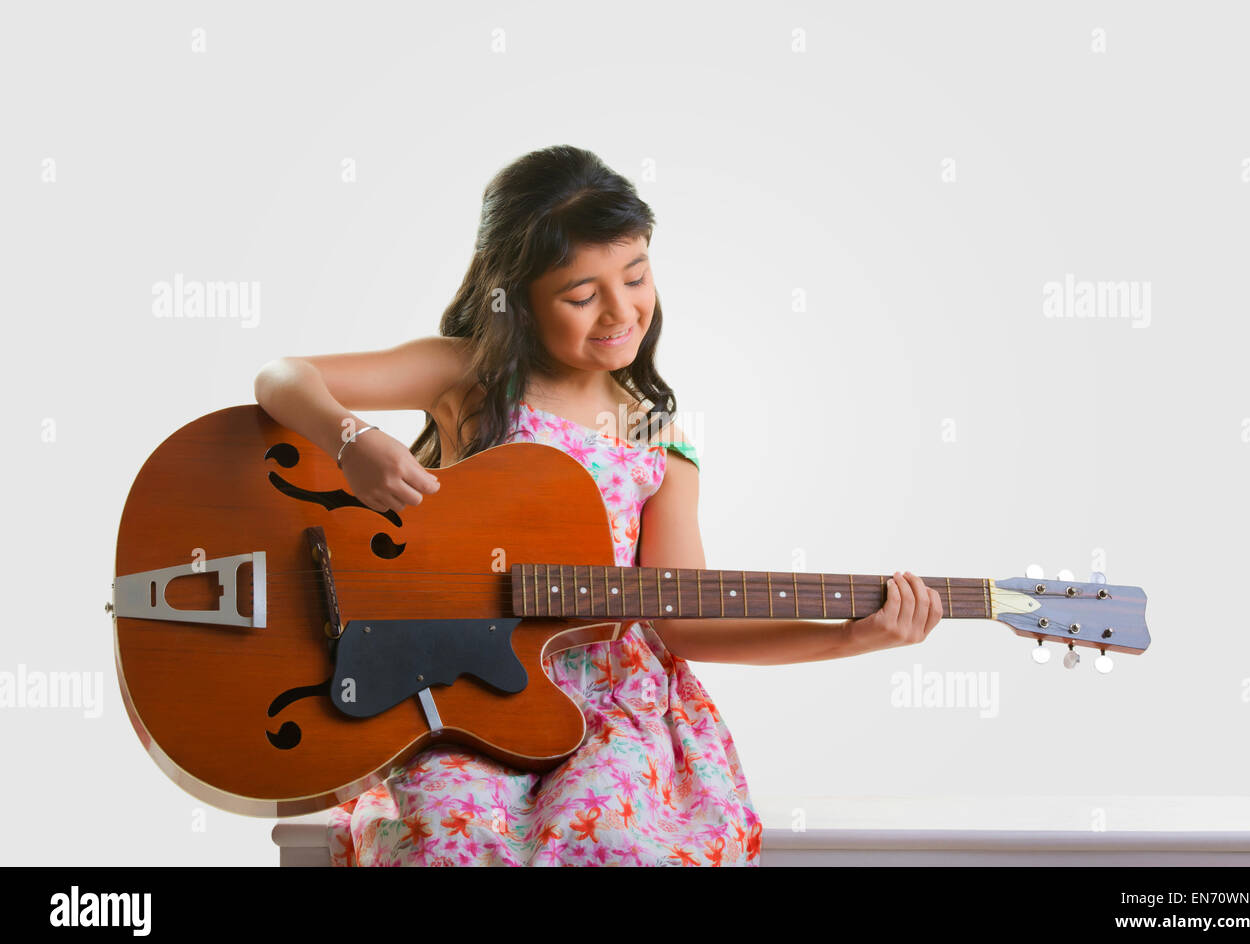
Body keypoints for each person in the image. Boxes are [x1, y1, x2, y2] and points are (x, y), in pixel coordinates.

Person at [253, 145, 943, 866]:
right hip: (460, 690)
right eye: (581, 296)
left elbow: (686, 623)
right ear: (516, 298)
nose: (620, 310)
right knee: (454, 841)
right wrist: (350, 439)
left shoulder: (657, 442)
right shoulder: (472, 379)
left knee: (610, 843)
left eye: (636, 277)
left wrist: (853, 637)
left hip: (608, 707)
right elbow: (282, 376)